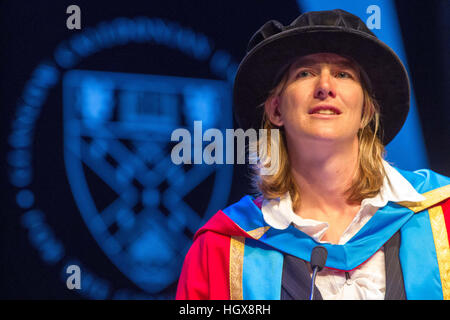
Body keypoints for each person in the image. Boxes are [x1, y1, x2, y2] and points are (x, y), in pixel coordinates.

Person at [176, 9, 450, 300]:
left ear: (367, 112)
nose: (325, 87)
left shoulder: (441, 216)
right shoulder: (222, 249)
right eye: (305, 73)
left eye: (343, 74)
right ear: (276, 110)